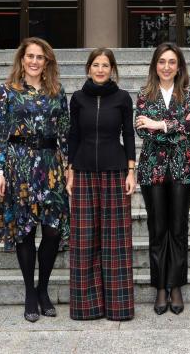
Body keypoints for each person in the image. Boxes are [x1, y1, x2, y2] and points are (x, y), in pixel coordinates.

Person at [0, 37, 69, 323]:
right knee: (24, 231)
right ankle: (29, 293)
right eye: (30, 56)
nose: (34, 61)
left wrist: (69, 167)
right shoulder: (6, 92)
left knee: (51, 232)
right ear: (21, 60)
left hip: (50, 168)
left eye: (40, 57)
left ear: (47, 62)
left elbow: (65, 133)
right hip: (18, 167)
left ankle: (43, 288)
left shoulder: (58, 92)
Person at [66, 48, 136, 321]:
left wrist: (131, 170)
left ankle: (118, 307)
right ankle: (87, 307)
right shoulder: (78, 98)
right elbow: (73, 134)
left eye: (105, 65)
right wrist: (69, 170)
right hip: (83, 172)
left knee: (115, 241)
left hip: (115, 171)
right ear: (88, 68)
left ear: (112, 69)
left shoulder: (122, 98)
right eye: (96, 64)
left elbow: (128, 134)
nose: (100, 69)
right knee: (84, 241)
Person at [135, 42, 190, 315]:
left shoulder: (188, 93)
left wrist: (159, 124)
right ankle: (160, 287)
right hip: (152, 170)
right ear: (155, 65)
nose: (166, 66)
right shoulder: (143, 94)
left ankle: (175, 286)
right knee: (157, 229)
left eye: (171, 62)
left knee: (178, 229)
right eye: (162, 61)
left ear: (179, 67)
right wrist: (174, 127)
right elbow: (142, 131)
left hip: (182, 169)